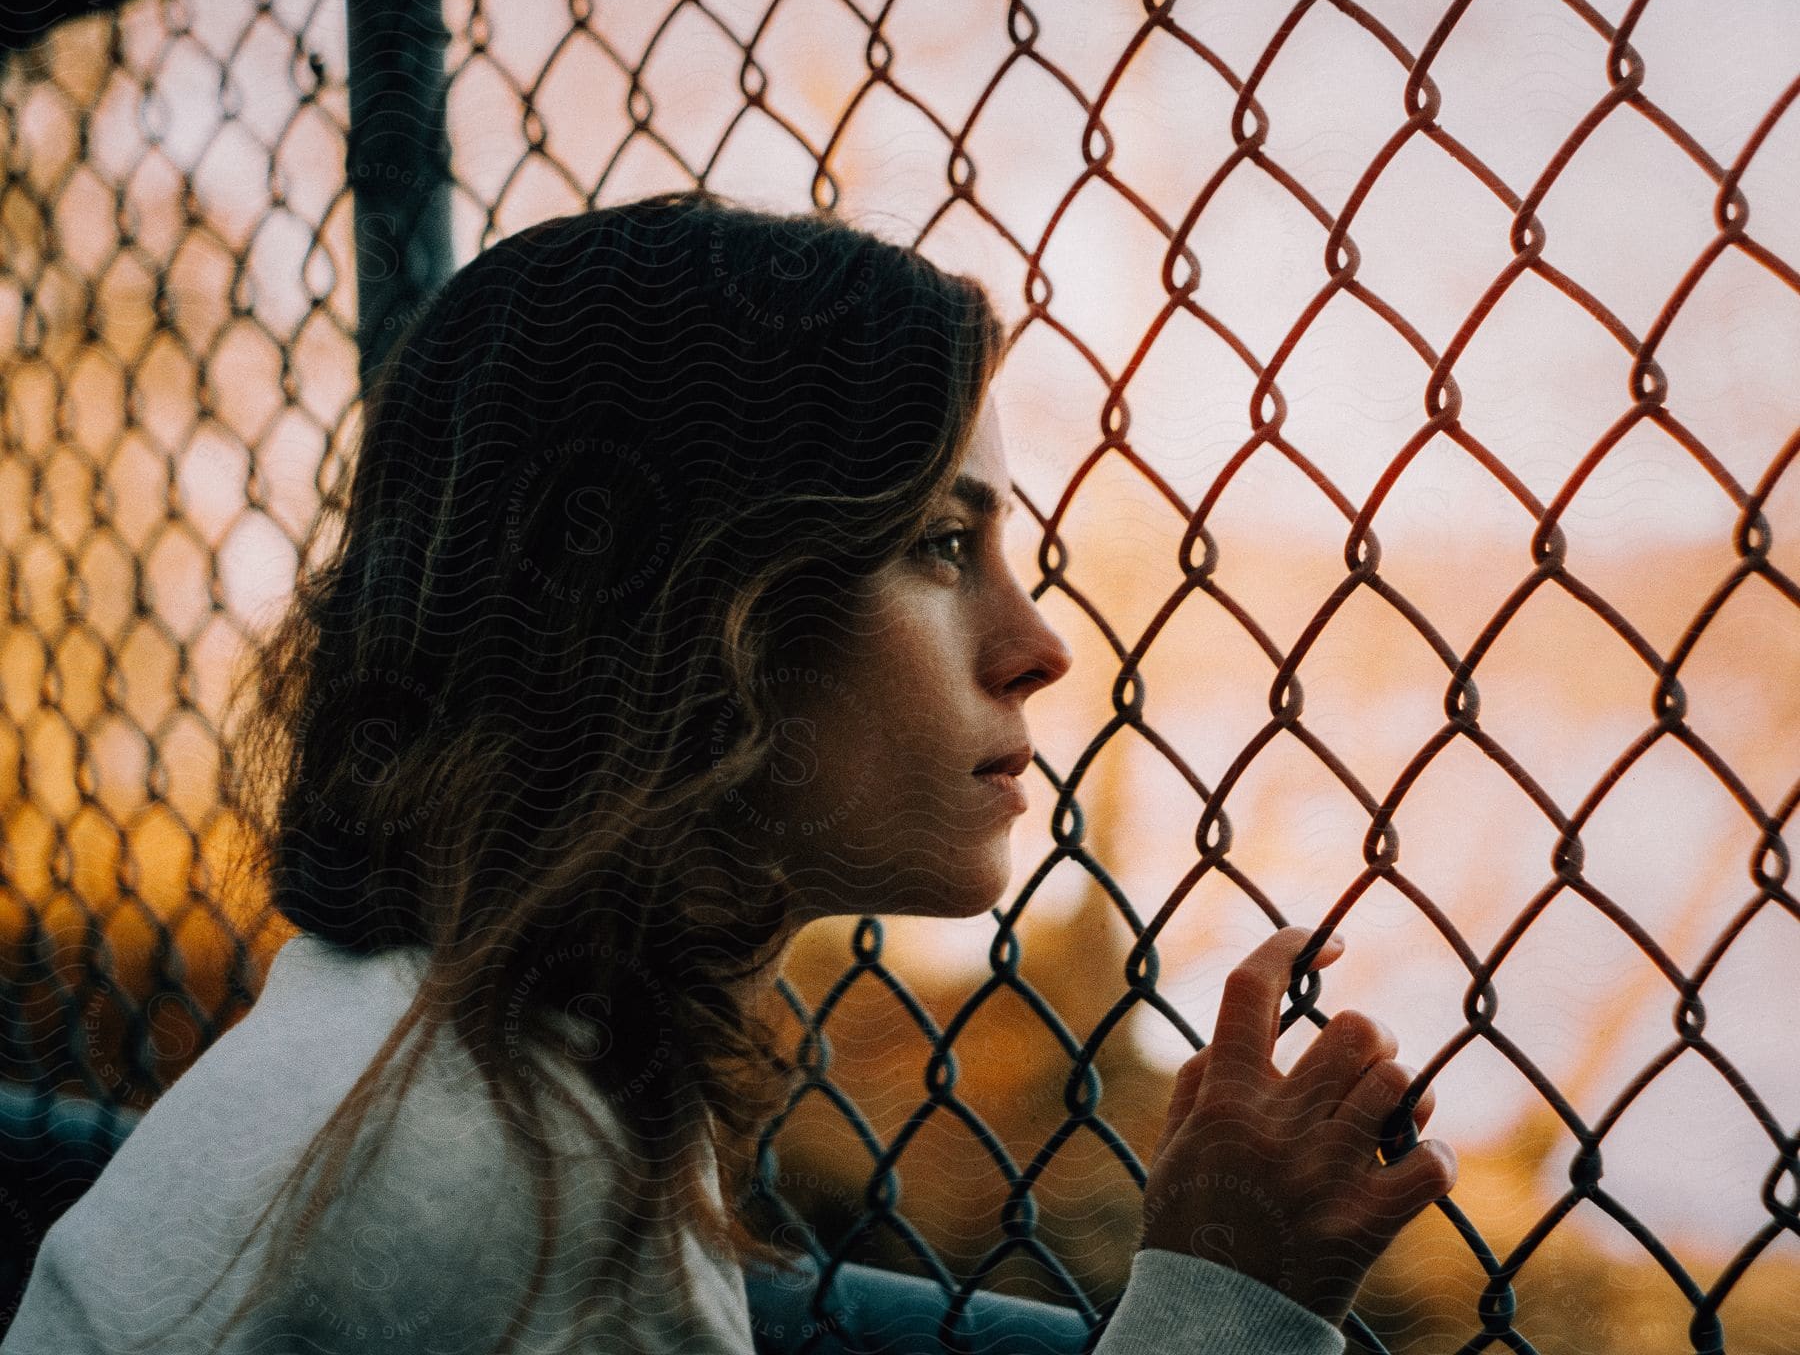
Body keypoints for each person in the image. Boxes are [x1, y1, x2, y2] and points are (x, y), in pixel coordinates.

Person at [0, 190, 1455, 1355]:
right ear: (689, 607)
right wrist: (1223, 1307)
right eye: (943, 546)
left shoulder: (423, 1043)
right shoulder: (506, 1181)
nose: (1037, 646)